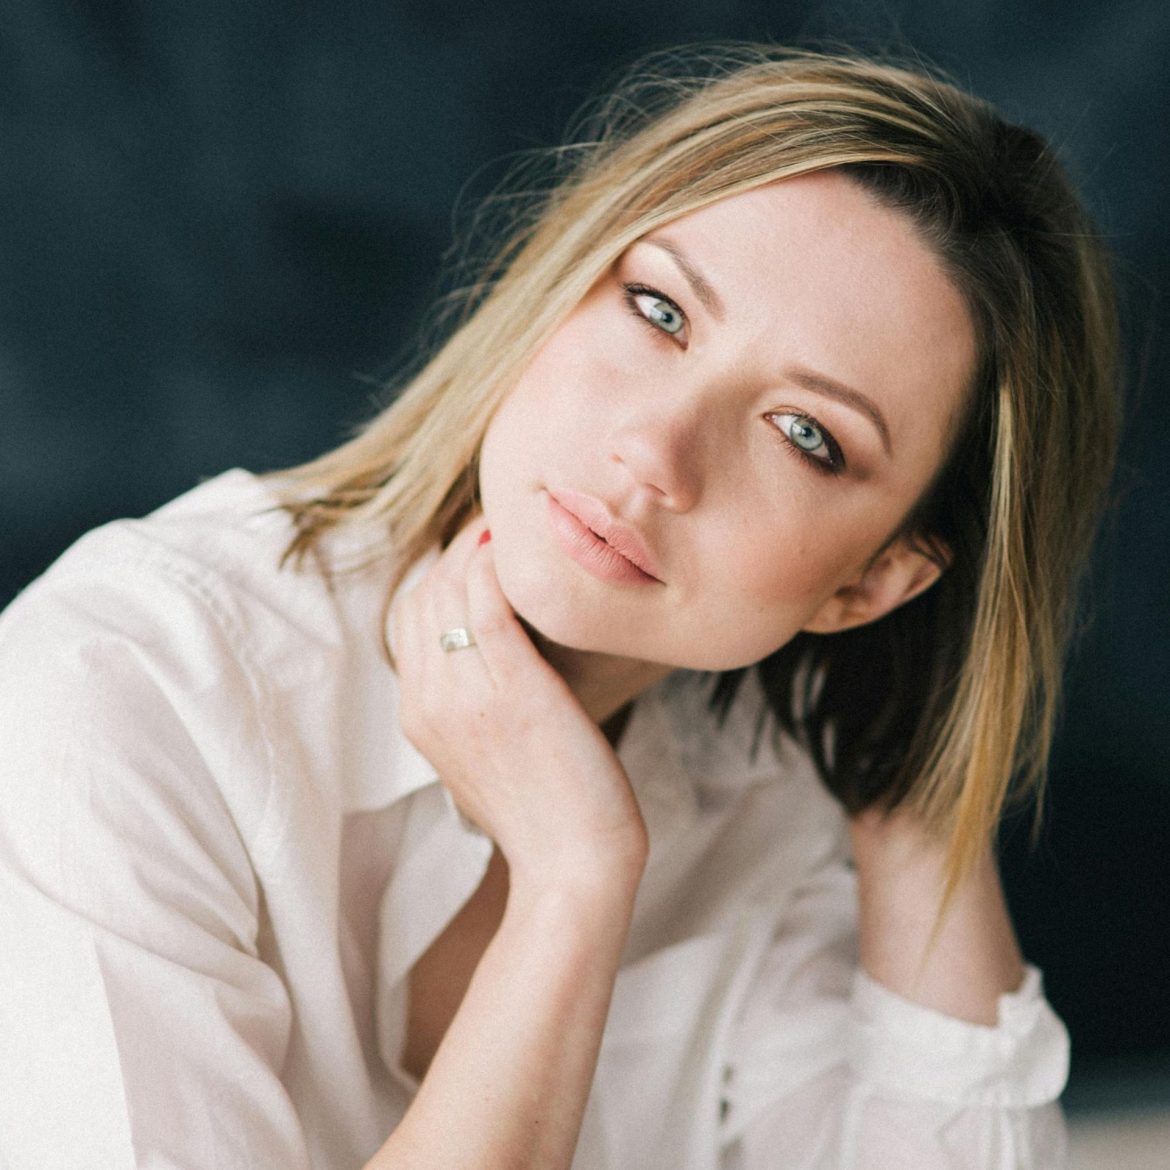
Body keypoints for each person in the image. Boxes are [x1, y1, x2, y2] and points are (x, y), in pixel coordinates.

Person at [0, 45, 1117, 1170]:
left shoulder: (767, 793)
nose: (655, 451)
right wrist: (575, 886)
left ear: (870, 582)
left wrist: (918, 794)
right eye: (659, 310)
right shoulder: (127, 691)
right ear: (558, 286)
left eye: (804, 434)